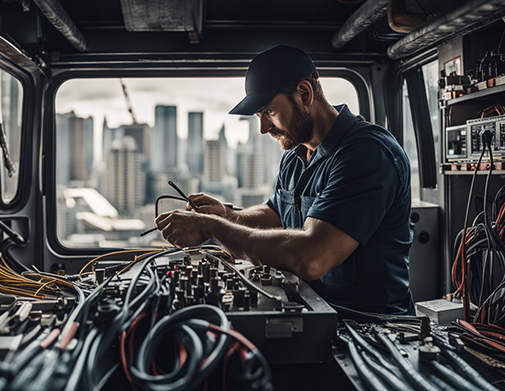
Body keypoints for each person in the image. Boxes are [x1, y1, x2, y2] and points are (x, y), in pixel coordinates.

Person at [155, 45, 414, 315]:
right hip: (313, 311)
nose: (264, 128)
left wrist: (213, 228)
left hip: (371, 326)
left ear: (304, 93)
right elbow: (275, 215)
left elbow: (312, 257)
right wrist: (225, 215)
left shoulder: (367, 153)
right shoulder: (297, 153)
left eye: (269, 111)